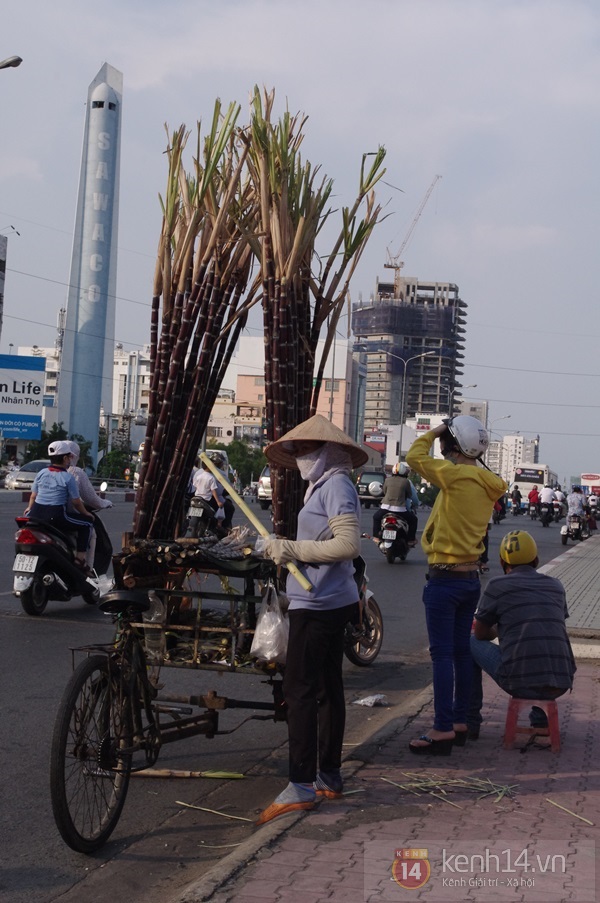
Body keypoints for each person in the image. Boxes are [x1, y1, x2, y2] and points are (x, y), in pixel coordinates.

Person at [255, 414, 366, 824]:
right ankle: (329, 775)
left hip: (320, 606)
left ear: (327, 451)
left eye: (305, 449)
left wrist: (291, 549)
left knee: (299, 690)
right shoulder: (323, 485)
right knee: (325, 687)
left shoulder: (336, 484)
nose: (299, 456)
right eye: (296, 450)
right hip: (322, 600)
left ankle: (300, 785)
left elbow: (348, 545)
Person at [405, 416, 506, 755]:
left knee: (442, 656)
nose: (443, 452)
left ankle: (443, 728)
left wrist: (435, 429)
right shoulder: (488, 481)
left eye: (447, 445)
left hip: (445, 579)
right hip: (469, 581)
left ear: (455, 447)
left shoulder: (455, 475)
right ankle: (460, 721)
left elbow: (414, 457)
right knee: (461, 653)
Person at [468, 530, 575, 736]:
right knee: (539, 648)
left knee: (469, 643)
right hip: (561, 679)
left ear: (502, 561)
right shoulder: (556, 586)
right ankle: (541, 721)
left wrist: (497, 629)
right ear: (536, 559)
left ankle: (470, 721)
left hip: (518, 681)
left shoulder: (497, 585)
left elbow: (481, 634)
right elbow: (549, 623)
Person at [24, 440, 94, 571]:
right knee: (87, 524)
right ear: (65, 458)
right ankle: (80, 560)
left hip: (34, 515)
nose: (70, 460)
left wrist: (29, 508)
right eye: (69, 457)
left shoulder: (41, 473)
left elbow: (33, 496)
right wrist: (86, 514)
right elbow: (76, 502)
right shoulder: (68, 477)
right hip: (55, 516)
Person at [65, 441, 113, 569]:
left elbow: (34, 496)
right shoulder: (75, 472)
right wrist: (104, 503)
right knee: (90, 530)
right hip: (64, 514)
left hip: (40, 514)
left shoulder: (46, 472)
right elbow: (85, 499)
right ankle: (87, 567)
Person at [372, 462, 418, 545]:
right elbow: (409, 495)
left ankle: (376, 537)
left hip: (385, 508)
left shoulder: (387, 480)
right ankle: (411, 539)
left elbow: (385, 492)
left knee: (376, 517)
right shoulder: (406, 482)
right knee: (413, 520)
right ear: (404, 471)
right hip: (400, 509)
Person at [186, 458, 225, 536]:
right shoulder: (211, 477)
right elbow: (213, 491)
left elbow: (195, 486)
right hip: (206, 500)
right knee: (213, 518)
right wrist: (218, 501)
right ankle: (210, 531)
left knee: (192, 518)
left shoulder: (198, 475)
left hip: (196, 499)